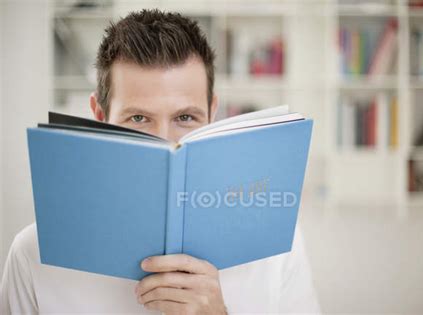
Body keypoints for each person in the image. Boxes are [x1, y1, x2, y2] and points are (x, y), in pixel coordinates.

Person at [0, 9, 320, 314]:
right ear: (99, 117)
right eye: (138, 118)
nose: (166, 143)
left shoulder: (279, 246)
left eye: (185, 117)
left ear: (212, 115)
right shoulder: (33, 252)